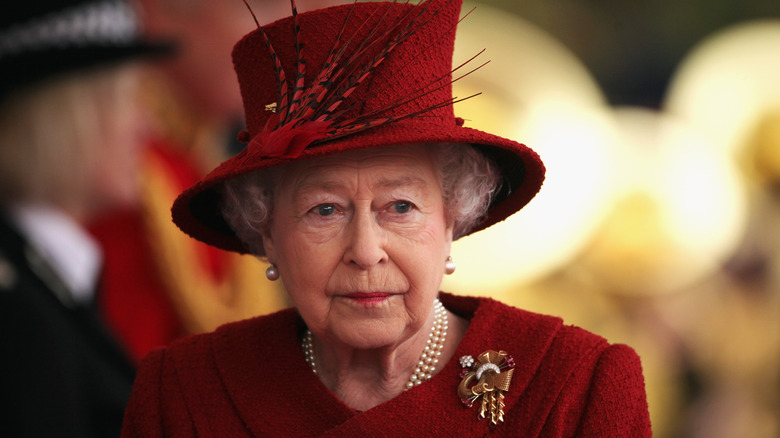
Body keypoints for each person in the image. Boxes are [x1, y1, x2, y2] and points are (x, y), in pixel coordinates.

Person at [121, 0, 652, 436]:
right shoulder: (184, 392)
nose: (366, 250)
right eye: (324, 210)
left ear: (452, 220)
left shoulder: (578, 386)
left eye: (400, 207)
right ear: (268, 234)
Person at [88, 0, 338, 363]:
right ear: (162, 14)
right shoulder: (115, 172)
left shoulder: (204, 154)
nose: (289, 35)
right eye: (262, 8)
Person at [0, 0, 170, 436]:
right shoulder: (17, 313)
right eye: (127, 99)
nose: (146, 125)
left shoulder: (42, 275)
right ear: (65, 117)